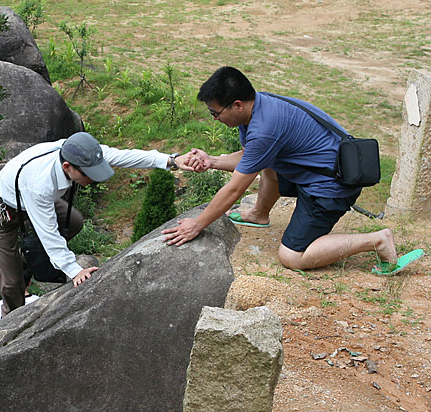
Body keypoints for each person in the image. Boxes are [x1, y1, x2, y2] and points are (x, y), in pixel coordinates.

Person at [163, 66, 411, 274]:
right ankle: (259, 213)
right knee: (268, 165)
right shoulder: (258, 107)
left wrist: (197, 224)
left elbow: (235, 188)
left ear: (237, 105)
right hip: (318, 170)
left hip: (331, 187)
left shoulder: (264, 128)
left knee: (292, 256)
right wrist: (213, 161)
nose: (214, 119)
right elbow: (253, 157)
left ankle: (377, 240)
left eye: (215, 113)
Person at [0, 131, 194, 318]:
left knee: (74, 222)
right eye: (88, 175)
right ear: (67, 166)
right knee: (13, 279)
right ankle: (11, 321)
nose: (94, 178)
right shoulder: (39, 183)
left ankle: (25, 257)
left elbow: (124, 156)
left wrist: (172, 160)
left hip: (30, 203)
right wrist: (74, 271)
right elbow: (49, 233)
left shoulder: (81, 152)